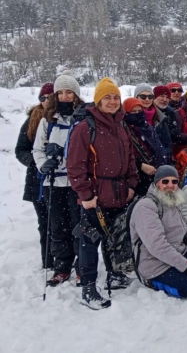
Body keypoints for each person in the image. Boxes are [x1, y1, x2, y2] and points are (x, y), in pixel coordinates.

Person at [67, 77, 139, 309]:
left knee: (113, 237)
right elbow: (75, 166)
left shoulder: (121, 125)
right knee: (90, 240)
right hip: (95, 196)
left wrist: (131, 185)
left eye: (116, 97)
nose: (112, 101)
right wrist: (86, 196)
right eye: (107, 97)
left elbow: (130, 159)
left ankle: (113, 275)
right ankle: (88, 287)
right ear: (98, 101)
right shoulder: (85, 128)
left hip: (119, 192)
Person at [130, 166, 187, 299]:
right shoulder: (146, 207)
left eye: (174, 182)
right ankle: (155, 282)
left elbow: (181, 224)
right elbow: (157, 246)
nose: (170, 185)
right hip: (156, 265)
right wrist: (186, 264)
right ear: (156, 183)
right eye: (165, 181)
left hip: (177, 251)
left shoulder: (171, 199)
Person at [33, 75, 83, 286]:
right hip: (53, 182)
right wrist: (44, 163)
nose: (64, 96)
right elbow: (37, 148)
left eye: (69, 92)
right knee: (57, 226)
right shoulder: (47, 120)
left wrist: (68, 154)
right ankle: (62, 266)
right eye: (60, 92)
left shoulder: (81, 118)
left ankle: (82, 266)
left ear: (76, 95)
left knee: (78, 225)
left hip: (76, 182)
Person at [16, 82, 53, 269]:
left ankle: (64, 258)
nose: (46, 101)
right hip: (37, 180)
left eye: (50, 97)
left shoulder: (63, 117)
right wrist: (35, 160)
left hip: (59, 177)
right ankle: (47, 261)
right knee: (45, 222)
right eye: (43, 98)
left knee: (62, 221)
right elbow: (20, 149)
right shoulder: (32, 119)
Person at [123, 97, 171, 197]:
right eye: (133, 111)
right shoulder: (124, 129)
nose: (137, 114)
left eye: (139, 111)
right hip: (138, 175)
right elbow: (124, 155)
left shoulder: (146, 127)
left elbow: (159, 147)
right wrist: (140, 165)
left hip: (155, 172)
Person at [152, 85, 180, 159]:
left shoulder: (171, 113)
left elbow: (174, 135)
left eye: (167, 97)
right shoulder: (149, 113)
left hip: (167, 153)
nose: (164, 100)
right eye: (161, 96)